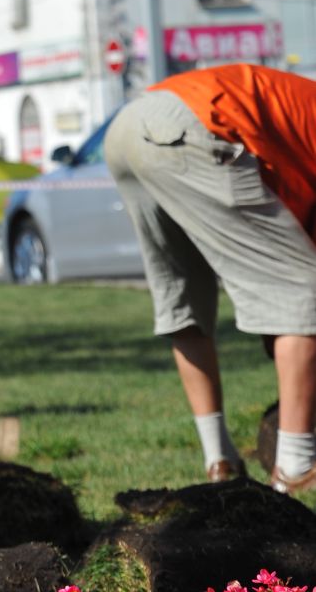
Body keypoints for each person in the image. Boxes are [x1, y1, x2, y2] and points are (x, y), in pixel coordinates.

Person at [104, 62, 316, 491]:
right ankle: (296, 469)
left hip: (130, 127)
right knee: (305, 296)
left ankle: (219, 460)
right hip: (195, 124)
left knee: (183, 298)